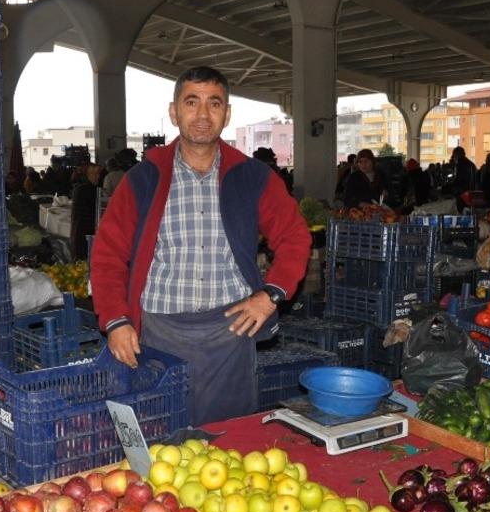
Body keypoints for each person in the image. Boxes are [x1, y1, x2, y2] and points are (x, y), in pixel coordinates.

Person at [90, 65, 310, 427]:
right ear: (174, 112)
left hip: (231, 331)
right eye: (192, 102)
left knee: (230, 440)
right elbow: (108, 255)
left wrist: (270, 295)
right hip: (160, 332)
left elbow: (294, 237)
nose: (203, 114)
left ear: (227, 114)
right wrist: (116, 321)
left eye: (214, 103)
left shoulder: (253, 177)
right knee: (162, 437)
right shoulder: (144, 179)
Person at [70, 163, 101, 261]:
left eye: (98, 173)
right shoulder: (88, 190)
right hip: (86, 229)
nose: (98, 176)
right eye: (94, 174)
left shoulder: (81, 188)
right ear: (87, 175)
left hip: (82, 228)